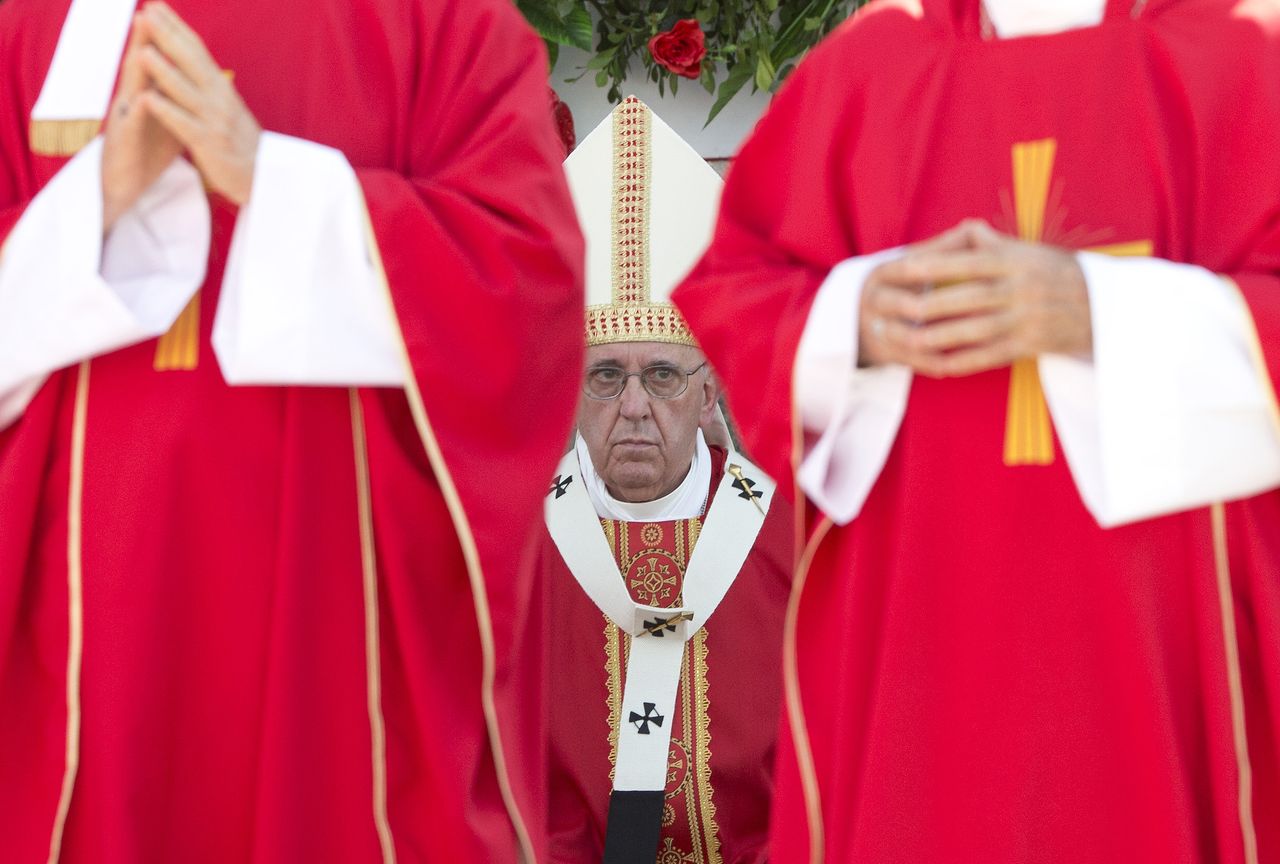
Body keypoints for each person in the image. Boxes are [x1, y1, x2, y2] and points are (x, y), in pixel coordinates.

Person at [672, 1, 1280, 861]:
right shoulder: (872, 63)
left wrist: (1103, 313)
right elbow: (737, 292)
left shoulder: (1244, 51)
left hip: (1152, 637)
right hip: (921, 626)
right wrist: (852, 316)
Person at [0, 0, 583, 860]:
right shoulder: (27, 26)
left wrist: (271, 187)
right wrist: (93, 206)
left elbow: (528, 291)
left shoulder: (446, 22)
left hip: (332, 625)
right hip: (87, 636)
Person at [539, 98, 793, 864]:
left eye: (664, 377)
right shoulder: (519, 554)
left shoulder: (786, 541)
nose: (637, 408)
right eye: (607, 377)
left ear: (710, 394)